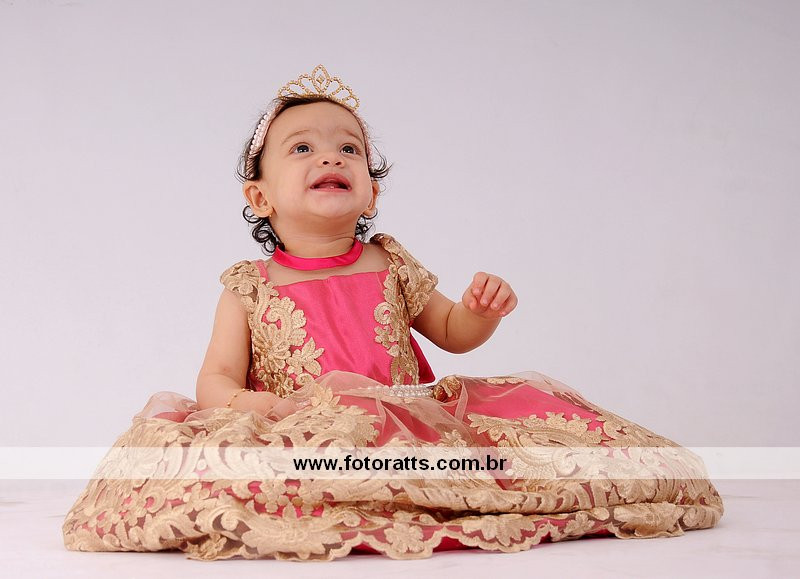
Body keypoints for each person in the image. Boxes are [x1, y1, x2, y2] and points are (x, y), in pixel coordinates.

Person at [62, 64, 724, 561]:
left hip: (404, 424)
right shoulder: (249, 287)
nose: (330, 155)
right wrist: (265, 410)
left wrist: (479, 313)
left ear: (372, 191)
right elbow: (215, 380)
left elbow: (451, 333)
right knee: (223, 476)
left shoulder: (389, 263)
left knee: (527, 451)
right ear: (260, 197)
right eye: (302, 148)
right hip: (304, 429)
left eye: (348, 148)